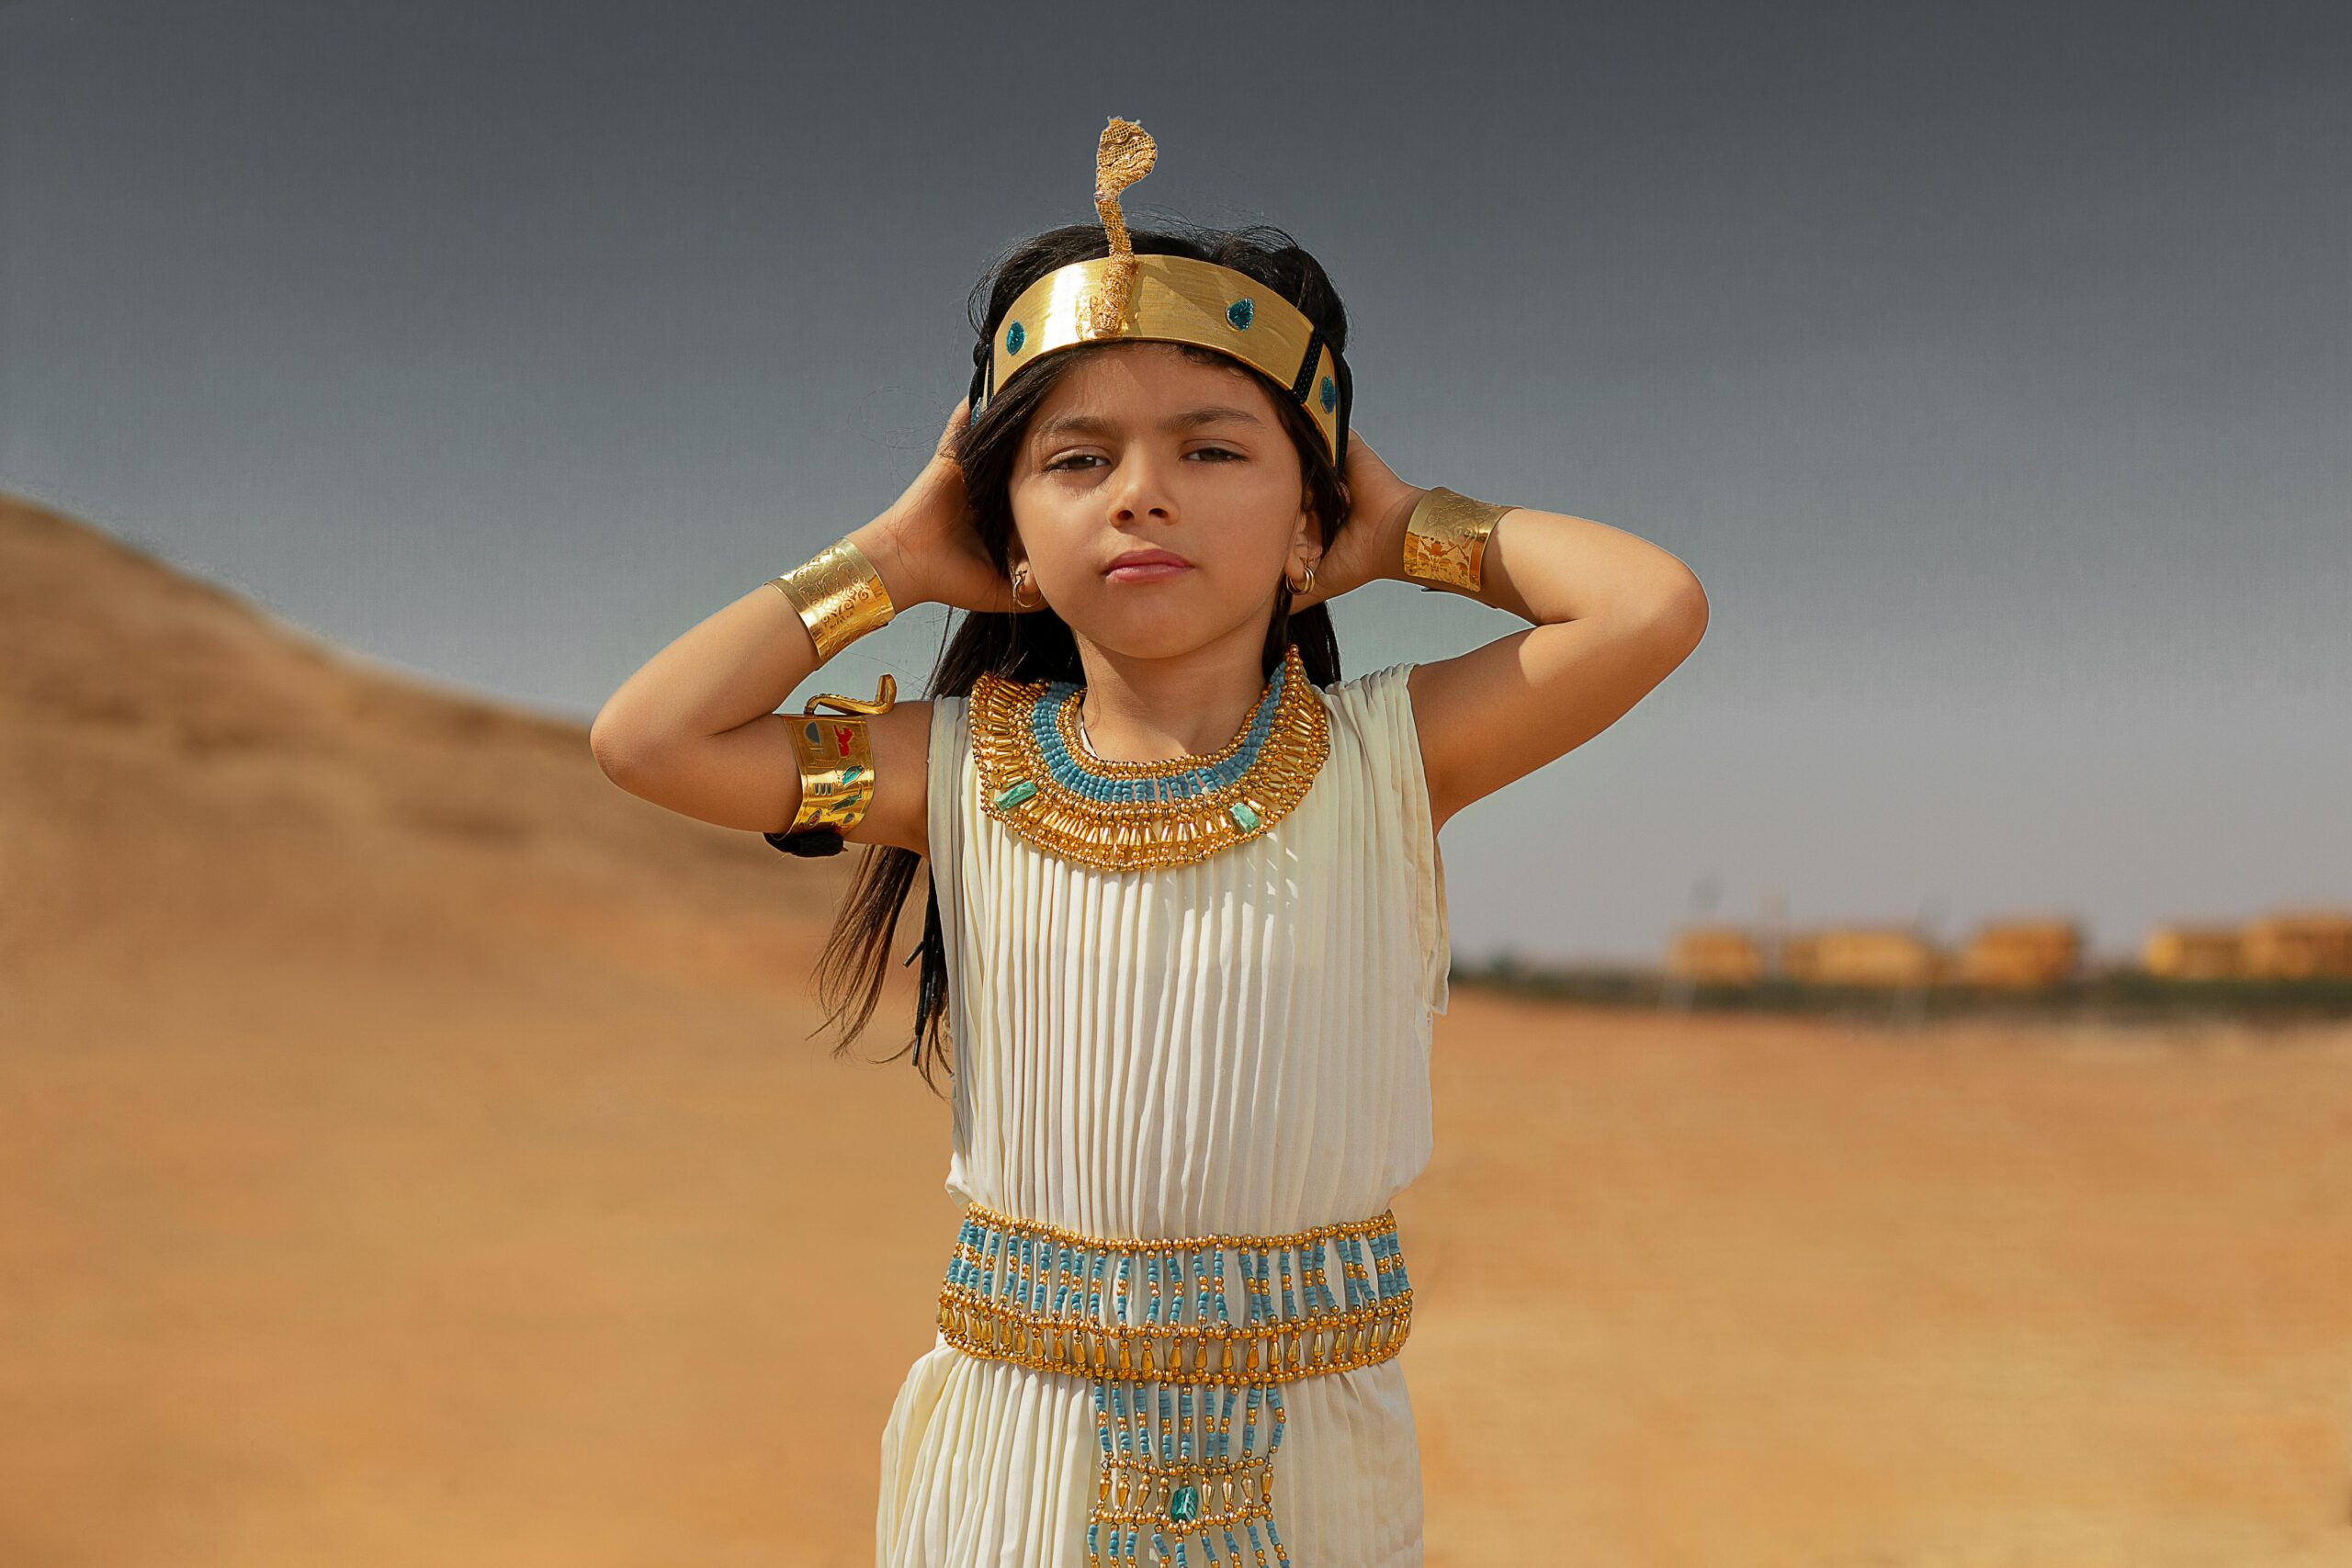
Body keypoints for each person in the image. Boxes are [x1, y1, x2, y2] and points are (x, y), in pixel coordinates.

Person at [591, 118, 1707, 1568]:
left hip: (1314, 1460)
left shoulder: (1391, 758)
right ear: (1006, 534)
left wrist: (1408, 527)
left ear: (1310, 522)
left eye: (1213, 447)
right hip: (1019, 1459)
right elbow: (648, 739)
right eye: (1075, 458)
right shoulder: (956, 770)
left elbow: (1648, 608)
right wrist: (884, 560)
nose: (1141, 490)